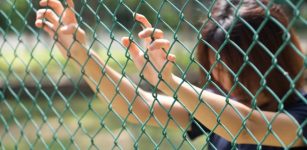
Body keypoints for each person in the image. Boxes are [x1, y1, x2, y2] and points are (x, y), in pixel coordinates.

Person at [35, 0, 306, 149]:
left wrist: (171, 83)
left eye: (235, 69)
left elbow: (249, 127)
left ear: (269, 59)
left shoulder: (300, 111)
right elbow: (138, 106)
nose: (224, 80)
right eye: (217, 68)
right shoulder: (216, 104)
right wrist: (81, 54)